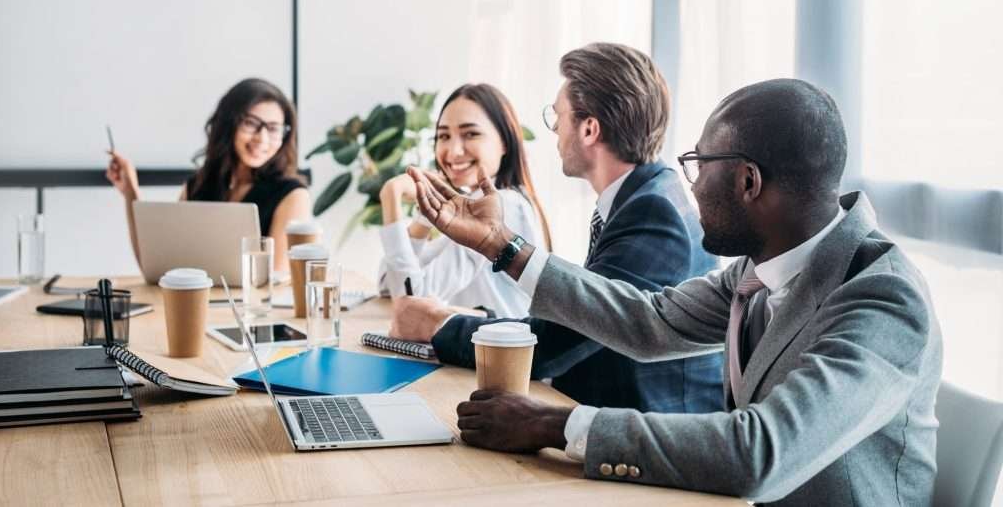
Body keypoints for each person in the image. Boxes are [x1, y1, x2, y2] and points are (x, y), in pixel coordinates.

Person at [407, 78, 942, 506]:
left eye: (699, 165)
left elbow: (761, 452)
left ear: (747, 182)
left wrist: (553, 423)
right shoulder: (757, 269)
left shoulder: (883, 300)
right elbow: (649, 321)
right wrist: (503, 246)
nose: (690, 184)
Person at [390, 43, 724, 413]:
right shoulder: (641, 196)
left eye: (557, 117)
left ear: (589, 129)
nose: (554, 132)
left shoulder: (653, 212)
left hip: (650, 436)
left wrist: (441, 324)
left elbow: (554, 346)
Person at [376, 83, 550, 318]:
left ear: (505, 142)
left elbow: (411, 301)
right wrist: (424, 219)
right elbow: (389, 285)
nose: (454, 151)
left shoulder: (503, 205)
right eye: (444, 136)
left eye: (471, 134)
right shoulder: (475, 201)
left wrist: (391, 195)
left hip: (496, 353)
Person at [106, 78, 311, 273]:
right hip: (194, 304)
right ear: (228, 124)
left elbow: (273, 280)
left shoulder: (292, 195)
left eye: (274, 129)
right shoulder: (198, 185)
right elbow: (157, 267)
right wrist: (130, 193)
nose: (262, 138)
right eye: (251, 123)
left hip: (249, 309)